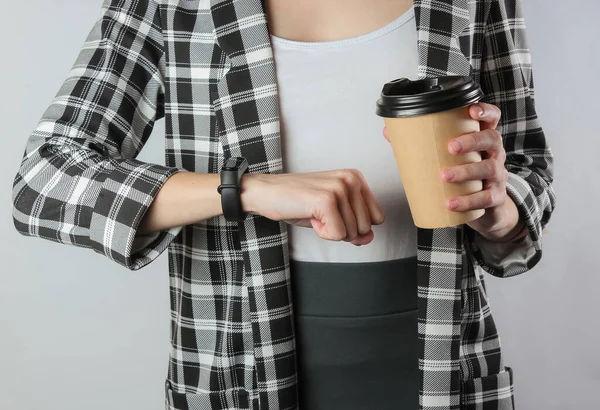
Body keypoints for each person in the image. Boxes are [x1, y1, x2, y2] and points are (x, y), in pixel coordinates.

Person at [11, 0, 556, 409]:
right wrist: (245, 189)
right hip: (239, 370)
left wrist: (501, 211)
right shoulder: (170, 5)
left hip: (445, 371)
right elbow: (44, 176)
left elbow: (528, 166)